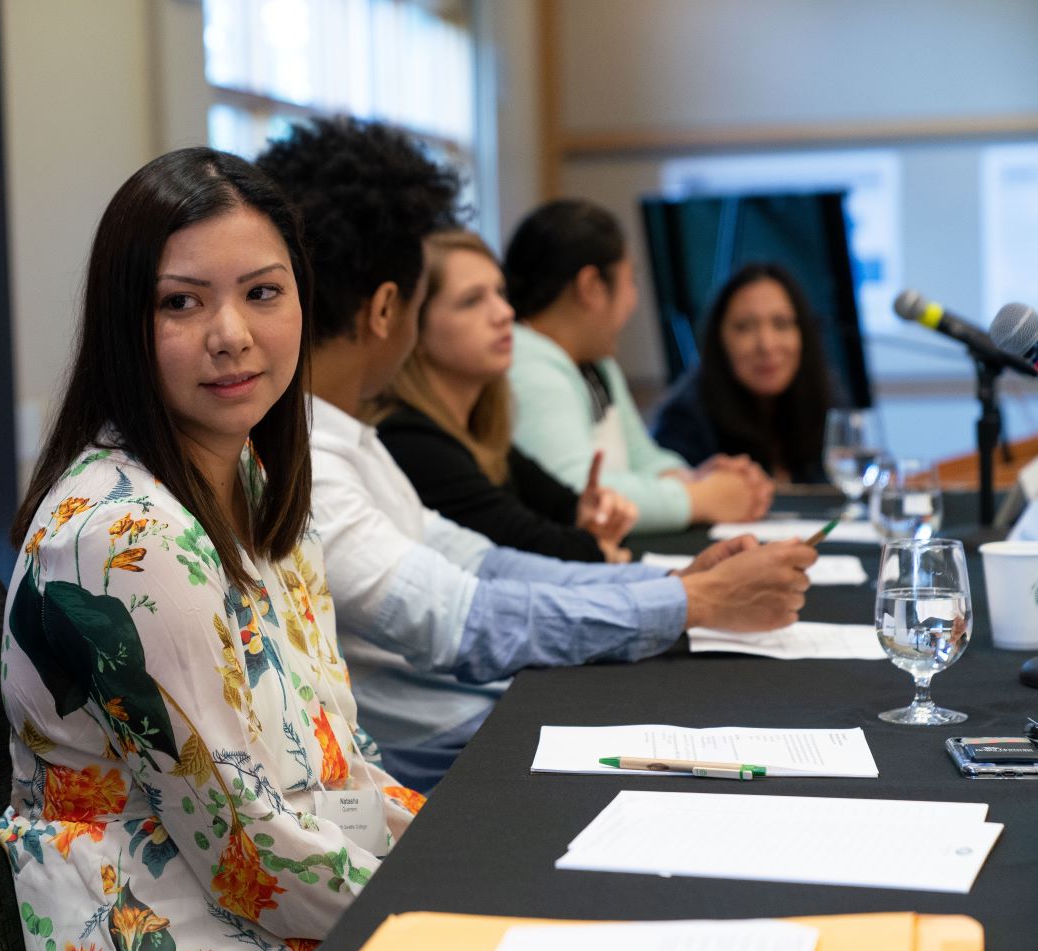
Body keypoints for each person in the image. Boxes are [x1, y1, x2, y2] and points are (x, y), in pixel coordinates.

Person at [256, 117, 816, 792]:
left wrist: (670, 587)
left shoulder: (348, 438)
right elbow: (467, 621)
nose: (504, 317)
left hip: (481, 715)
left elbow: (483, 563)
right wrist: (691, 601)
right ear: (387, 311)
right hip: (447, 755)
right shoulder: (315, 454)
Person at [0, 147, 425, 951]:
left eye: (261, 293)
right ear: (126, 324)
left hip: (277, 919)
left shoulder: (252, 479)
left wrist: (447, 849)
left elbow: (338, 753)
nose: (230, 334)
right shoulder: (127, 537)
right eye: (181, 303)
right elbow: (244, 852)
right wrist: (439, 900)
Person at [503, 198, 775, 533]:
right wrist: (700, 498)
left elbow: (641, 457)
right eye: (630, 280)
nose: (633, 300)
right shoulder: (527, 364)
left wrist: (690, 478)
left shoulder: (595, 362)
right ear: (591, 287)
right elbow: (576, 491)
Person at [377, 229, 638, 563]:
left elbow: (567, 512)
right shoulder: (410, 440)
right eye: (472, 301)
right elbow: (531, 545)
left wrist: (598, 514)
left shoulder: (480, 428)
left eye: (501, 293)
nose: (504, 313)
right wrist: (592, 545)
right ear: (416, 327)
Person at [653, 261, 833, 484]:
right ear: (719, 340)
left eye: (781, 323)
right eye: (745, 327)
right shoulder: (683, 420)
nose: (766, 345)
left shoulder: (826, 399)